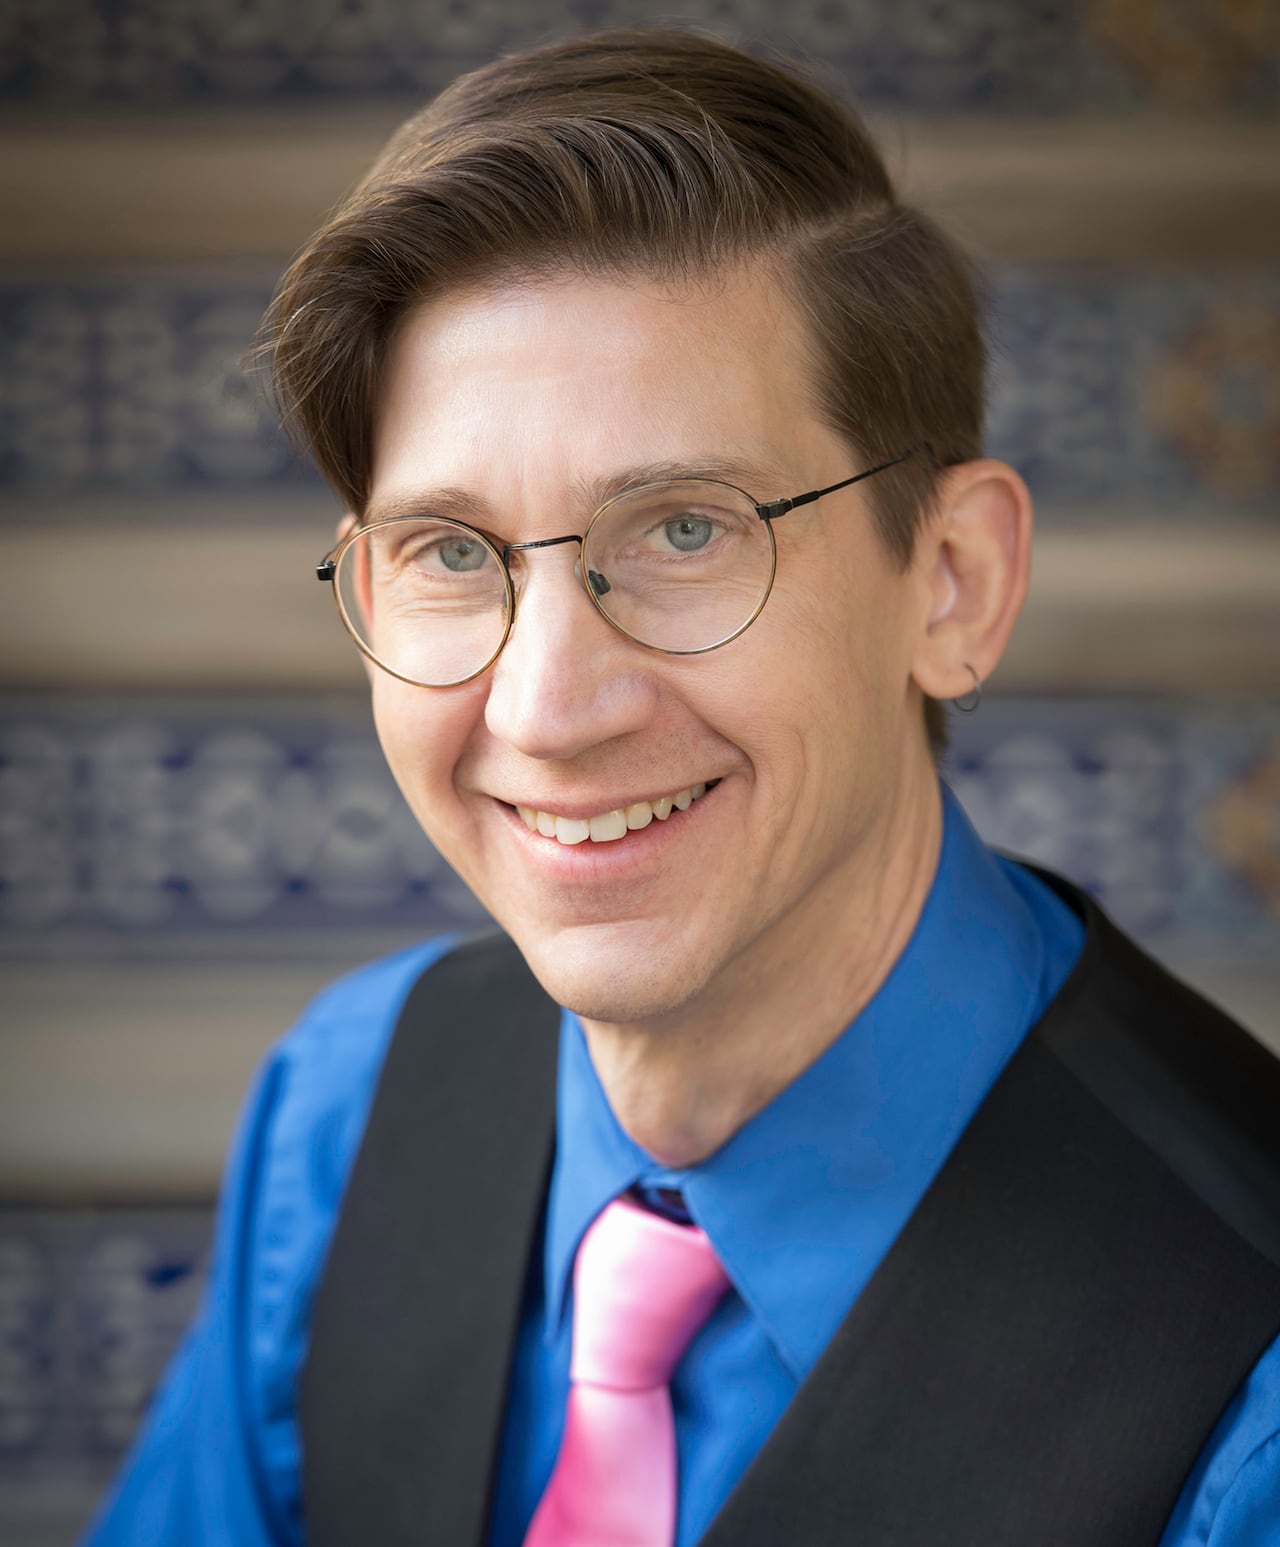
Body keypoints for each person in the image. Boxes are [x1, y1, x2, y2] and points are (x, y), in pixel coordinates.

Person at [82, 28, 1280, 1547]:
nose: (546, 710)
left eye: (686, 531)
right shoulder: (346, 1107)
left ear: (954, 581)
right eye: (451, 551)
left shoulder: (1249, 1395)